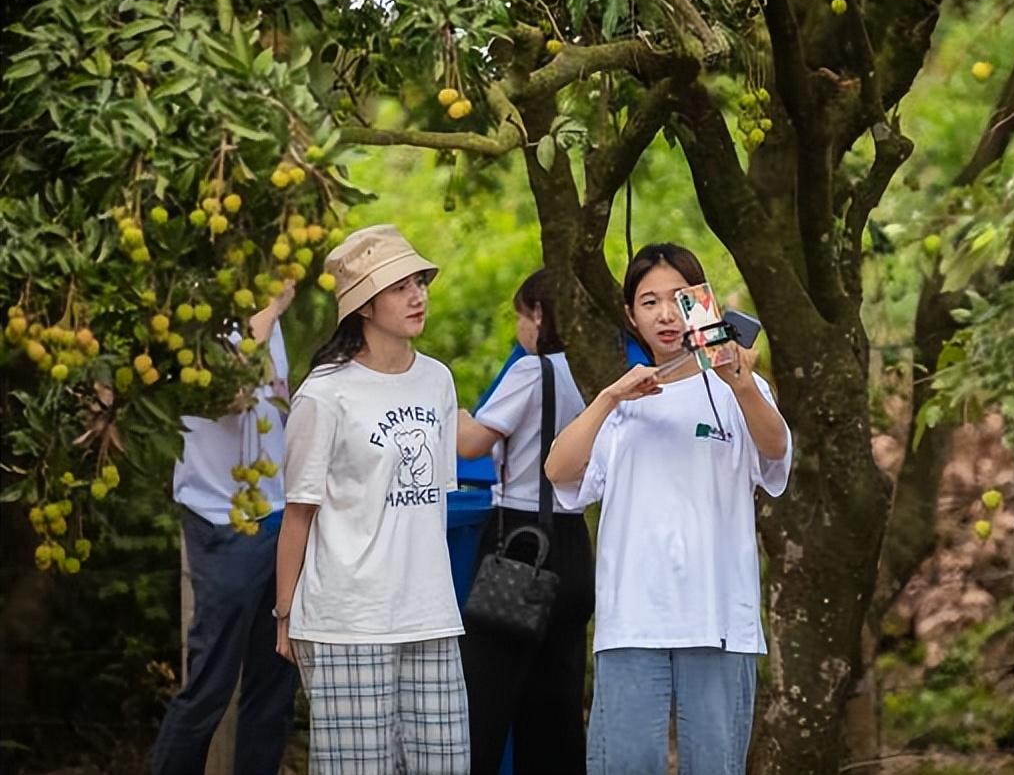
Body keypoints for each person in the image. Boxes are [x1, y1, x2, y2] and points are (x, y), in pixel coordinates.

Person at [544, 243, 792, 775]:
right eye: (649, 301)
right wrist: (610, 397)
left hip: (720, 617)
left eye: (680, 298)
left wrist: (742, 382)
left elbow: (775, 451)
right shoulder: (621, 404)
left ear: (702, 305)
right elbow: (558, 470)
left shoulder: (738, 390)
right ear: (631, 315)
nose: (665, 314)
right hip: (632, 622)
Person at [274, 225, 468, 774]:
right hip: (346, 619)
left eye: (420, 283)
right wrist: (284, 614)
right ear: (363, 305)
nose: (418, 296)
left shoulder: (438, 381)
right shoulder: (325, 392)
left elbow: (430, 501)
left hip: (429, 612)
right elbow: (299, 512)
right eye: (399, 287)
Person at [151, 284, 297, 775]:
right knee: (210, 687)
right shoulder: (195, 318)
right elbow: (231, 394)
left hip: (279, 516)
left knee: (274, 689)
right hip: (223, 523)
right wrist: (272, 309)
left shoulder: (266, 326)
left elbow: (277, 407)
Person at [456, 269, 592, 775]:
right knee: (555, 709)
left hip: (521, 541)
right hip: (574, 543)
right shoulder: (595, 373)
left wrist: (457, 412)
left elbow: (472, 443)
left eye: (519, 314)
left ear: (538, 313)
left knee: (484, 703)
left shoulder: (533, 371)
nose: (519, 326)